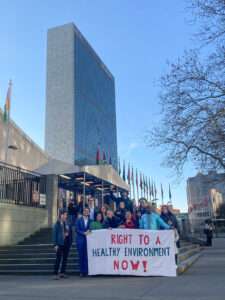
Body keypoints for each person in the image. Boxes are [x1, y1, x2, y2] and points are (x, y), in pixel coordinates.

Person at [53, 209, 72, 279]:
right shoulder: (57, 224)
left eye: (66, 215)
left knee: (65, 259)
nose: (65, 216)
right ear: (61, 215)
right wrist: (55, 245)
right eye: (64, 215)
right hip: (59, 244)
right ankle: (55, 273)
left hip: (66, 243)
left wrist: (70, 242)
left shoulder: (67, 223)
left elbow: (70, 233)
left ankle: (62, 272)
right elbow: (54, 234)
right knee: (58, 258)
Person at [76, 207, 91, 277]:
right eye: (85, 211)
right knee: (81, 256)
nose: (86, 212)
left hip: (88, 240)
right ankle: (81, 271)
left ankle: (86, 271)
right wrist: (83, 233)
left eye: (87, 211)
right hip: (80, 240)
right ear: (83, 212)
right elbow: (77, 229)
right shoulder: (79, 220)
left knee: (87, 256)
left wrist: (89, 231)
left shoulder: (91, 220)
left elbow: (91, 228)